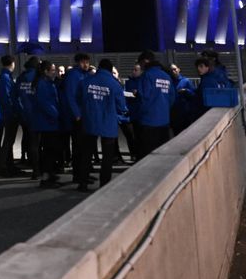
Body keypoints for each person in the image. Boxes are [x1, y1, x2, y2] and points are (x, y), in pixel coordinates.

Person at [80, 59, 129, 192]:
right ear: (110, 69)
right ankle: (104, 185)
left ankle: (83, 183)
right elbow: (121, 106)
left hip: (90, 121)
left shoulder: (86, 81)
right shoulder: (114, 84)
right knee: (107, 157)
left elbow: (80, 99)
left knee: (87, 154)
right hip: (108, 123)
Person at [15, 59, 62, 185]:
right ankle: (45, 176)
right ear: (44, 70)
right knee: (46, 149)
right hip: (44, 119)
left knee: (39, 147)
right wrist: (57, 114)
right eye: (52, 70)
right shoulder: (42, 82)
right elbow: (45, 102)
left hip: (34, 116)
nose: (54, 72)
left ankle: (42, 173)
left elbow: (17, 95)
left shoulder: (26, 78)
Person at [133, 50, 174, 157]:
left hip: (148, 122)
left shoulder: (146, 76)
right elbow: (172, 98)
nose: (140, 66)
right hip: (164, 121)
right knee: (161, 155)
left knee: (147, 156)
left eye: (140, 63)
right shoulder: (166, 76)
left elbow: (143, 99)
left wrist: (139, 114)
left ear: (145, 61)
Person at [64, 53, 93, 188]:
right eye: (83, 62)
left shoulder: (87, 74)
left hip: (86, 115)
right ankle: (78, 175)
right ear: (77, 63)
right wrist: (77, 114)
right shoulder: (74, 75)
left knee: (86, 147)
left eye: (87, 62)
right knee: (79, 147)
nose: (85, 64)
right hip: (79, 117)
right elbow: (70, 96)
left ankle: (84, 173)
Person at [0, 55, 20, 176]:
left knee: (9, 141)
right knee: (8, 141)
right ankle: (4, 166)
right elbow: (7, 97)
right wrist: (13, 111)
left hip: (8, 112)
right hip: (10, 113)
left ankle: (9, 165)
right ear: (12, 63)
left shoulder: (5, 77)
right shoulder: (6, 78)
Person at [170, 63, 197, 133]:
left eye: (174, 69)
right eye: (171, 70)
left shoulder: (186, 81)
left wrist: (186, 91)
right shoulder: (169, 82)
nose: (173, 71)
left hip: (185, 113)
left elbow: (194, 95)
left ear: (178, 69)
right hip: (174, 113)